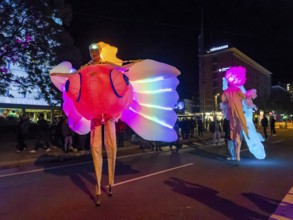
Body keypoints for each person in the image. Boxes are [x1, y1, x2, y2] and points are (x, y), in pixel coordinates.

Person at [80, 43, 119, 206]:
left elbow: (120, 72)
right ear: (89, 53)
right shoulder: (85, 68)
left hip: (108, 112)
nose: (94, 53)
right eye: (91, 51)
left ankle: (110, 183)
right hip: (95, 113)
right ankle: (97, 190)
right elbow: (76, 78)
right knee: (95, 149)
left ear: (99, 53)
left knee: (112, 147)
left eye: (96, 51)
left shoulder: (106, 66)